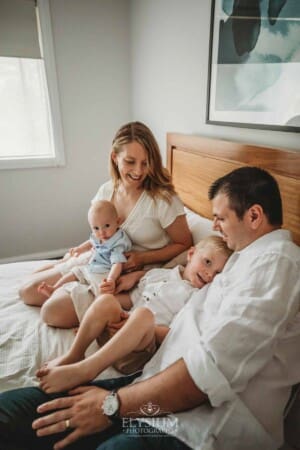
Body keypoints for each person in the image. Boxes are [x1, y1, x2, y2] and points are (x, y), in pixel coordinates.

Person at [1, 166, 299, 450]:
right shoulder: (239, 260)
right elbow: (190, 327)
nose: (215, 227)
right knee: (12, 413)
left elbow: (206, 374)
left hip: (191, 427)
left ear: (255, 216)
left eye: (220, 218)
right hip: (147, 389)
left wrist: (111, 405)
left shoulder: (276, 262)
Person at [19, 121, 192, 329]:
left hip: (128, 274)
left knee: (52, 313)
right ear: (114, 157)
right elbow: (99, 231)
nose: (138, 171)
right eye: (130, 161)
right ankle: (61, 267)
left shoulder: (163, 200)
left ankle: (76, 288)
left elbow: (184, 244)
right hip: (101, 258)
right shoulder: (107, 190)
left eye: (145, 163)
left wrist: (142, 258)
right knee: (27, 291)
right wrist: (79, 253)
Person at [36, 236, 232, 394]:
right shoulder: (159, 275)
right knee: (107, 301)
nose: (209, 275)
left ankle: (86, 369)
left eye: (217, 273)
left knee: (143, 314)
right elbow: (130, 301)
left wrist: (141, 325)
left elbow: (177, 335)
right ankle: (74, 354)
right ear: (191, 254)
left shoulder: (197, 298)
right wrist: (101, 312)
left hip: (140, 351)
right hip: (117, 335)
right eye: (207, 262)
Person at [37, 200, 132, 300]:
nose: (102, 232)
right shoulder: (99, 236)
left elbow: (117, 263)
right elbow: (90, 242)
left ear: (117, 222)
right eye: (96, 228)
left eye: (107, 226)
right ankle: (55, 288)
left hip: (106, 272)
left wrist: (111, 279)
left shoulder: (118, 242)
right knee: (75, 271)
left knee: (101, 289)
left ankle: (107, 302)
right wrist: (79, 249)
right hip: (92, 266)